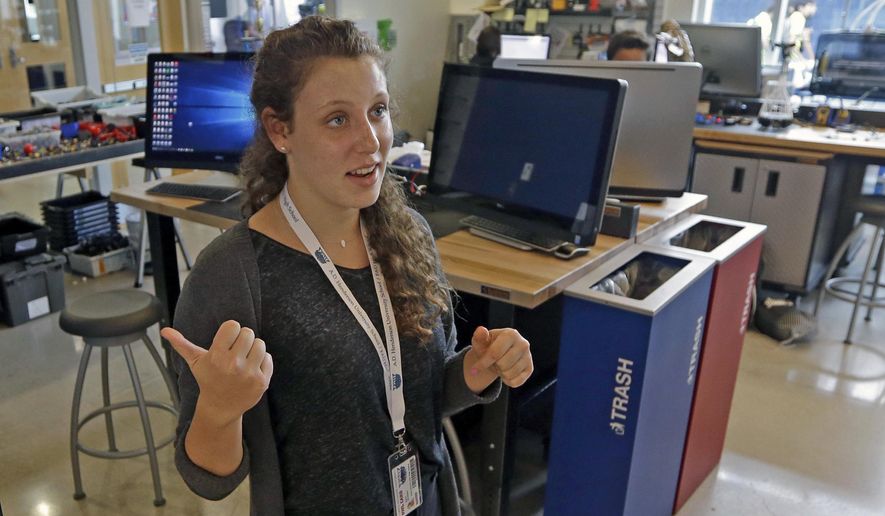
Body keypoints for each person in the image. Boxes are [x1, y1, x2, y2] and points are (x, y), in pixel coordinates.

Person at [160, 16, 534, 516]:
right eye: (337, 119)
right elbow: (206, 477)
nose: (371, 140)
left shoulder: (407, 236)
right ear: (280, 130)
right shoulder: (234, 274)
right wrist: (219, 410)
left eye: (376, 111)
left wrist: (473, 370)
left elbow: (417, 399)